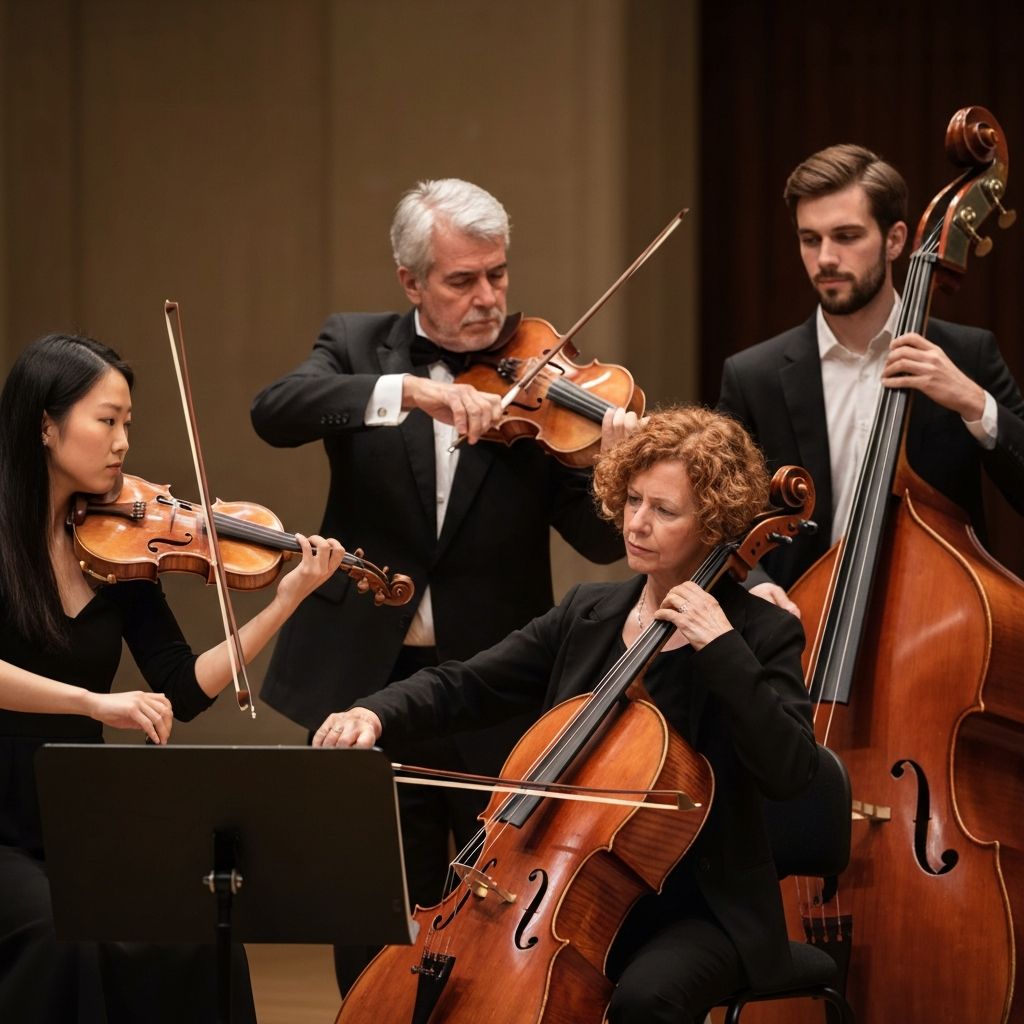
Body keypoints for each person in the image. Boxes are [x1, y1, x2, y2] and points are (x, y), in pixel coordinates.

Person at [314, 406, 818, 1023]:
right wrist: (375, 714)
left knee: (644, 999)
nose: (637, 523)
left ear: (714, 523)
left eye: (665, 511)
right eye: (632, 500)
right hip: (565, 892)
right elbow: (466, 683)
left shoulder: (759, 632)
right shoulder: (589, 613)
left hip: (702, 907)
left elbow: (793, 773)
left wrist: (723, 649)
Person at [250, 178, 630, 991]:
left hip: (490, 688)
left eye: (497, 274)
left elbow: (601, 543)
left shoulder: (540, 380)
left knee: (494, 914)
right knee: (368, 912)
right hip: (364, 680)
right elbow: (275, 410)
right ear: (410, 281)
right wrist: (410, 392)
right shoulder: (358, 347)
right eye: (463, 280)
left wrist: (616, 463)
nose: (488, 298)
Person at [0, 334, 347, 1023]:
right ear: (46, 424)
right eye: (107, 420)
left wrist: (285, 600)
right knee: (58, 941)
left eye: (128, 421)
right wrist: (95, 701)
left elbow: (183, 689)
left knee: (193, 933)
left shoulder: (112, 544)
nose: (124, 441)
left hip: (71, 816)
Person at [717, 144, 1024, 610]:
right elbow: (717, 513)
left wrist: (974, 403)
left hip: (936, 621)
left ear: (895, 239)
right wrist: (753, 582)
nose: (825, 259)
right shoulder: (752, 376)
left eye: (846, 236)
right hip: (800, 630)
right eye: (810, 239)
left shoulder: (967, 354)